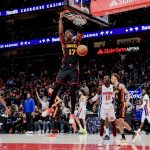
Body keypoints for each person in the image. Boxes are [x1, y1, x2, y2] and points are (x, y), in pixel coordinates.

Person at [42, 11, 83, 130]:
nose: (66, 33)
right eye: (65, 32)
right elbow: (60, 32)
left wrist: (73, 20)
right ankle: (49, 108)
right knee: (55, 88)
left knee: (73, 91)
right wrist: (60, 19)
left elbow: (80, 30)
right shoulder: (64, 43)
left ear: (72, 34)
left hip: (74, 69)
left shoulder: (77, 42)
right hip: (64, 68)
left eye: (68, 32)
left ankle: (71, 114)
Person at [90, 76, 119, 146]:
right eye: (104, 78)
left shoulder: (113, 87)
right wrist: (92, 100)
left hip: (110, 106)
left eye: (106, 78)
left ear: (109, 80)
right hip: (103, 106)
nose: (105, 79)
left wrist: (115, 95)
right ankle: (101, 140)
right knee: (102, 123)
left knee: (113, 124)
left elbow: (117, 93)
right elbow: (97, 96)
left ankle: (115, 140)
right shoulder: (101, 88)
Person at [111, 73, 136, 142]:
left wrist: (127, 101)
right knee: (118, 122)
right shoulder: (113, 87)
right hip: (117, 105)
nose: (111, 79)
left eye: (112, 78)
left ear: (116, 78)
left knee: (121, 121)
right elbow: (114, 97)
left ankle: (134, 133)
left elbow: (128, 94)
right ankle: (123, 137)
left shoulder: (121, 85)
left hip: (122, 104)